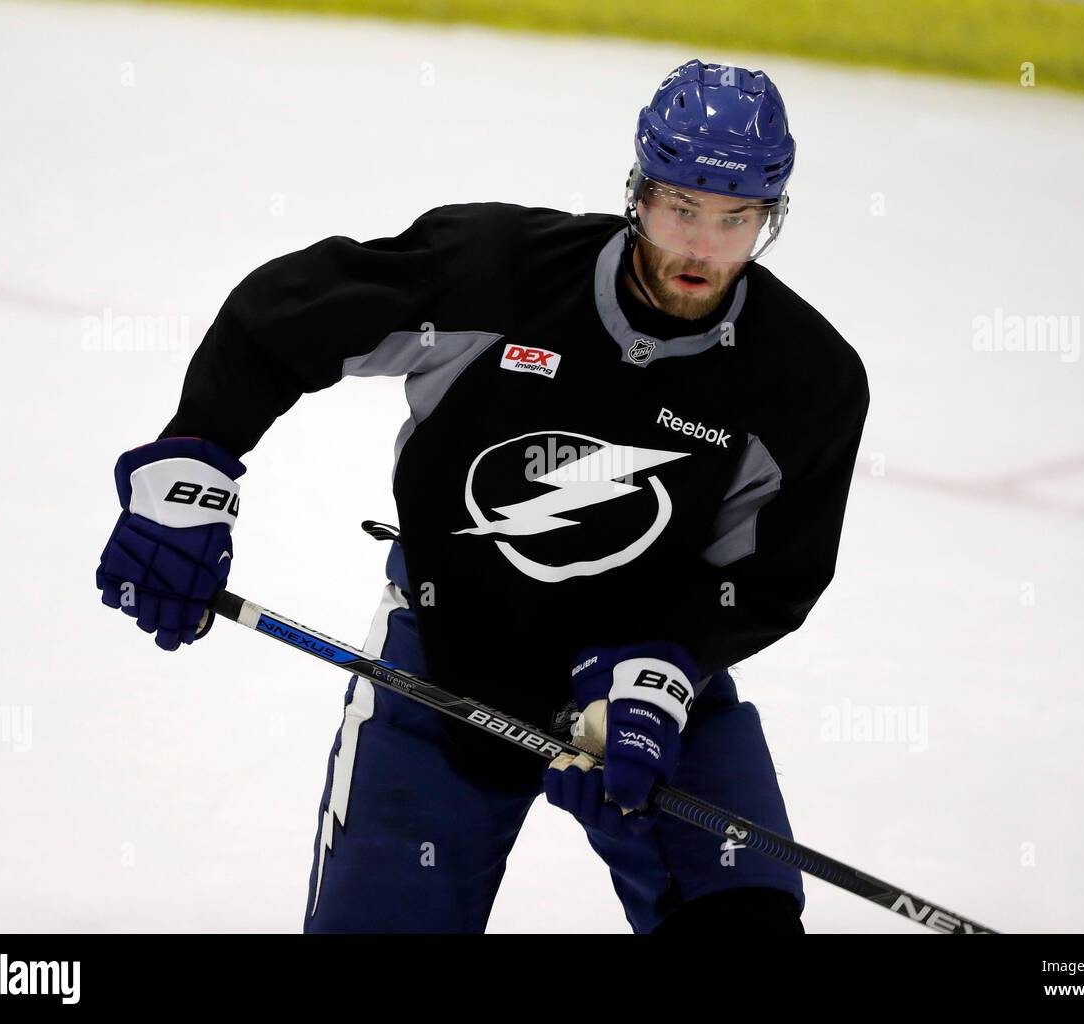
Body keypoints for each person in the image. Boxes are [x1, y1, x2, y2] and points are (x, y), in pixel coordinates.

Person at [95, 59, 869, 934]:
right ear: (636, 192)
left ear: (771, 219)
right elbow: (280, 318)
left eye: (736, 220)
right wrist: (186, 479)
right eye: (679, 208)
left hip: (648, 687)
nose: (700, 247)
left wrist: (661, 675)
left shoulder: (806, 379)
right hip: (448, 658)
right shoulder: (495, 276)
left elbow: (771, 576)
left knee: (746, 926)